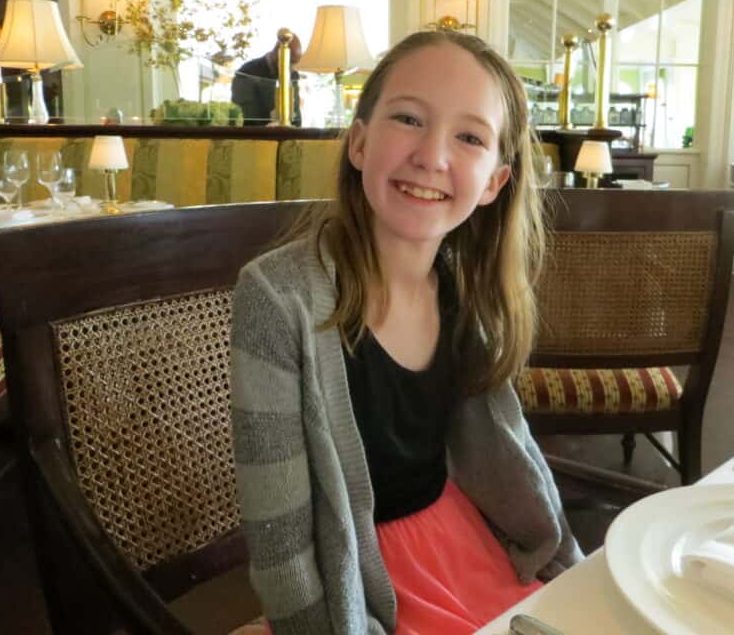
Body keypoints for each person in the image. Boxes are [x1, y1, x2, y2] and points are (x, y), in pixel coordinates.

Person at [230, 31, 582, 634]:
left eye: (468, 137)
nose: (432, 156)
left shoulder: (465, 289)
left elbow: (514, 456)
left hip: (464, 543)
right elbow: (279, 536)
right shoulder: (277, 296)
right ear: (360, 144)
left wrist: (572, 571)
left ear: (495, 182)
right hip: (358, 577)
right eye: (409, 119)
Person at [231, 30, 303, 124]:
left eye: (294, 63)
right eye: (290, 62)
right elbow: (248, 118)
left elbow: (296, 115)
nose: (292, 68)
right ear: (278, 52)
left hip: (287, 135)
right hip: (257, 137)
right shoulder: (247, 71)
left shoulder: (293, 75)